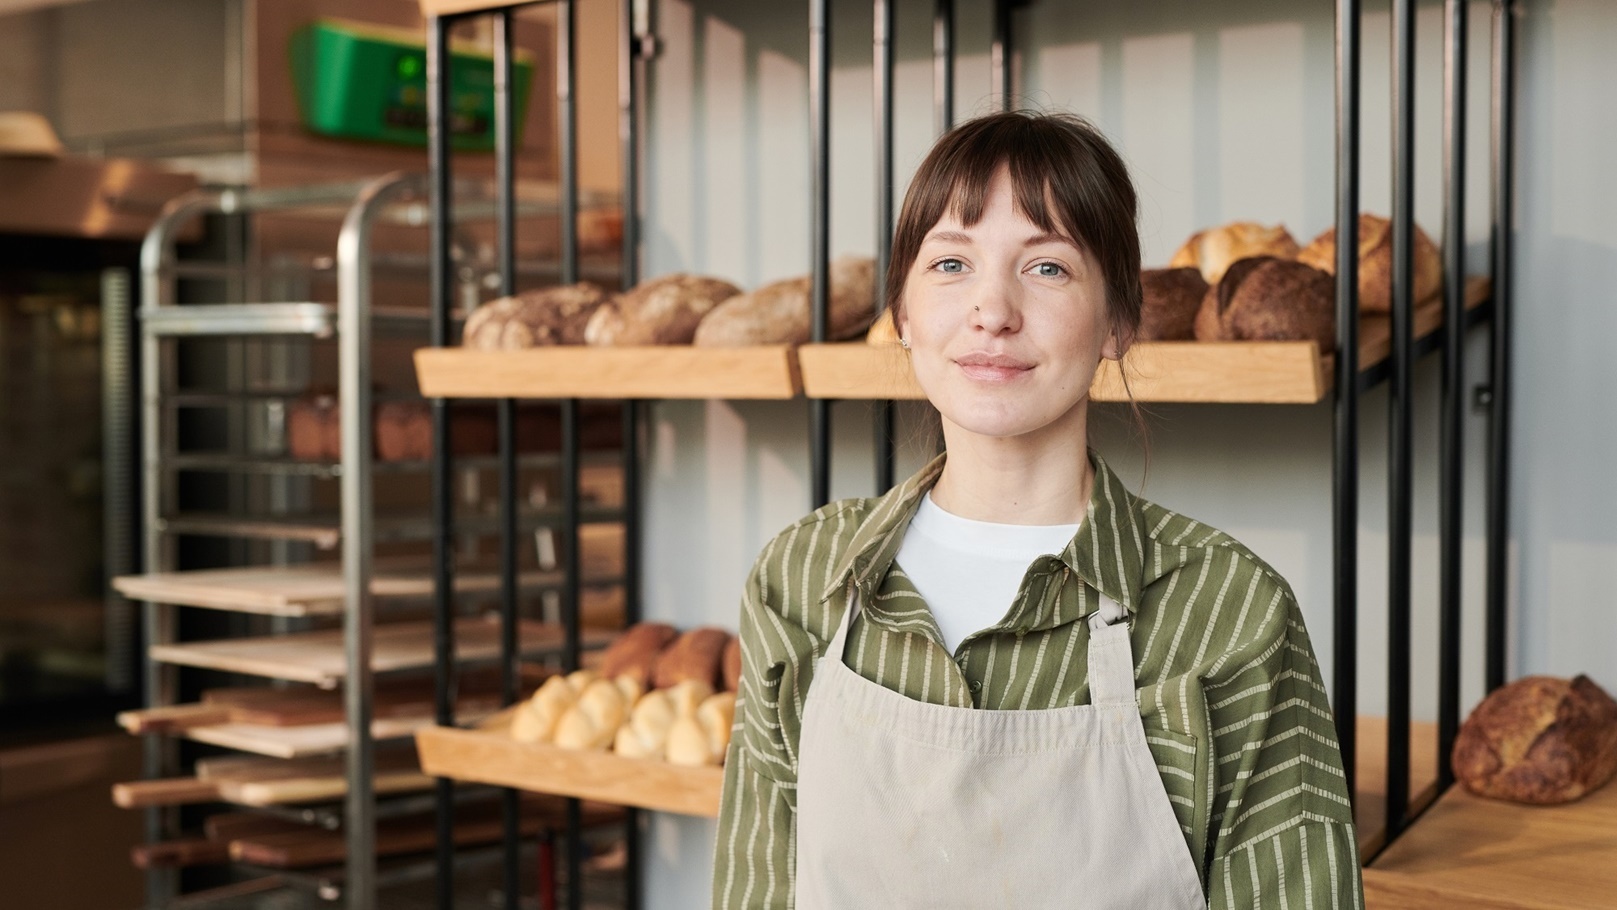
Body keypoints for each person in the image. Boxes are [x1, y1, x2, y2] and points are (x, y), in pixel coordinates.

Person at [711, 111, 1361, 909]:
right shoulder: (801, 579)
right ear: (903, 315)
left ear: (1119, 321)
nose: (992, 310)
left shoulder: (1228, 610)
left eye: (1047, 268)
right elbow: (754, 887)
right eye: (950, 263)